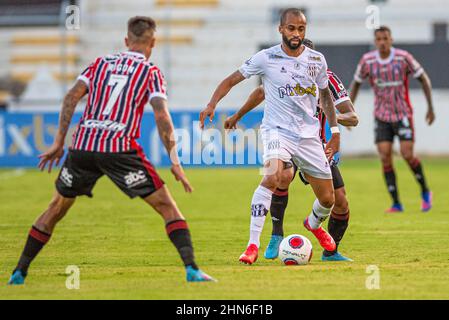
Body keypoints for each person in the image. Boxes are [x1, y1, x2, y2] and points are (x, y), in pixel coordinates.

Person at [8, 16, 215, 285]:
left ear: (126, 41)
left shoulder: (100, 63)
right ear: (152, 42)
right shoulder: (150, 72)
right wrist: (174, 160)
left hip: (82, 146)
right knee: (166, 205)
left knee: (56, 208)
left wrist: (59, 142)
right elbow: (162, 116)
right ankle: (192, 270)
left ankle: (19, 271)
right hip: (119, 148)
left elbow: (71, 96)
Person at [200, 9, 340, 265]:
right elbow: (231, 80)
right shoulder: (266, 58)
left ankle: (312, 224)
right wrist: (212, 104)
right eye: (291, 28)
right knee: (273, 176)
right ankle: (252, 245)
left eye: (300, 29)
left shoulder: (317, 60)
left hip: (309, 137)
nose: (296, 34)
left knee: (328, 199)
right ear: (281, 29)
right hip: (277, 131)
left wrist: (335, 131)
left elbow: (325, 96)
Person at [225, 38, 358, 262]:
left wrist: (331, 113)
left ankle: (329, 251)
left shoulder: (328, 79)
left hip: (316, 145)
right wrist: (237, 116)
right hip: (285, 137)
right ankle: (276, 234)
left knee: (338, 200)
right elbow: (260, 93)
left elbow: (353, 117)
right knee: (281, 176)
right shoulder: (282, 72)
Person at [350, 26, 435, 213]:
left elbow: (424, 79)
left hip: (403, 114)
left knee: (407, 154)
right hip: (381, 116)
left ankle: (425, 191)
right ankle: (396, 203)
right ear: (375, 41)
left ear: (391, 39)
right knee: (385, 157)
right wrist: (349, 110)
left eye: (385, 38)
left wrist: (430, 107)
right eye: (378, 39)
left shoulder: (403, 58)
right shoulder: (368, 61)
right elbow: (355, 83)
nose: (382, 42)